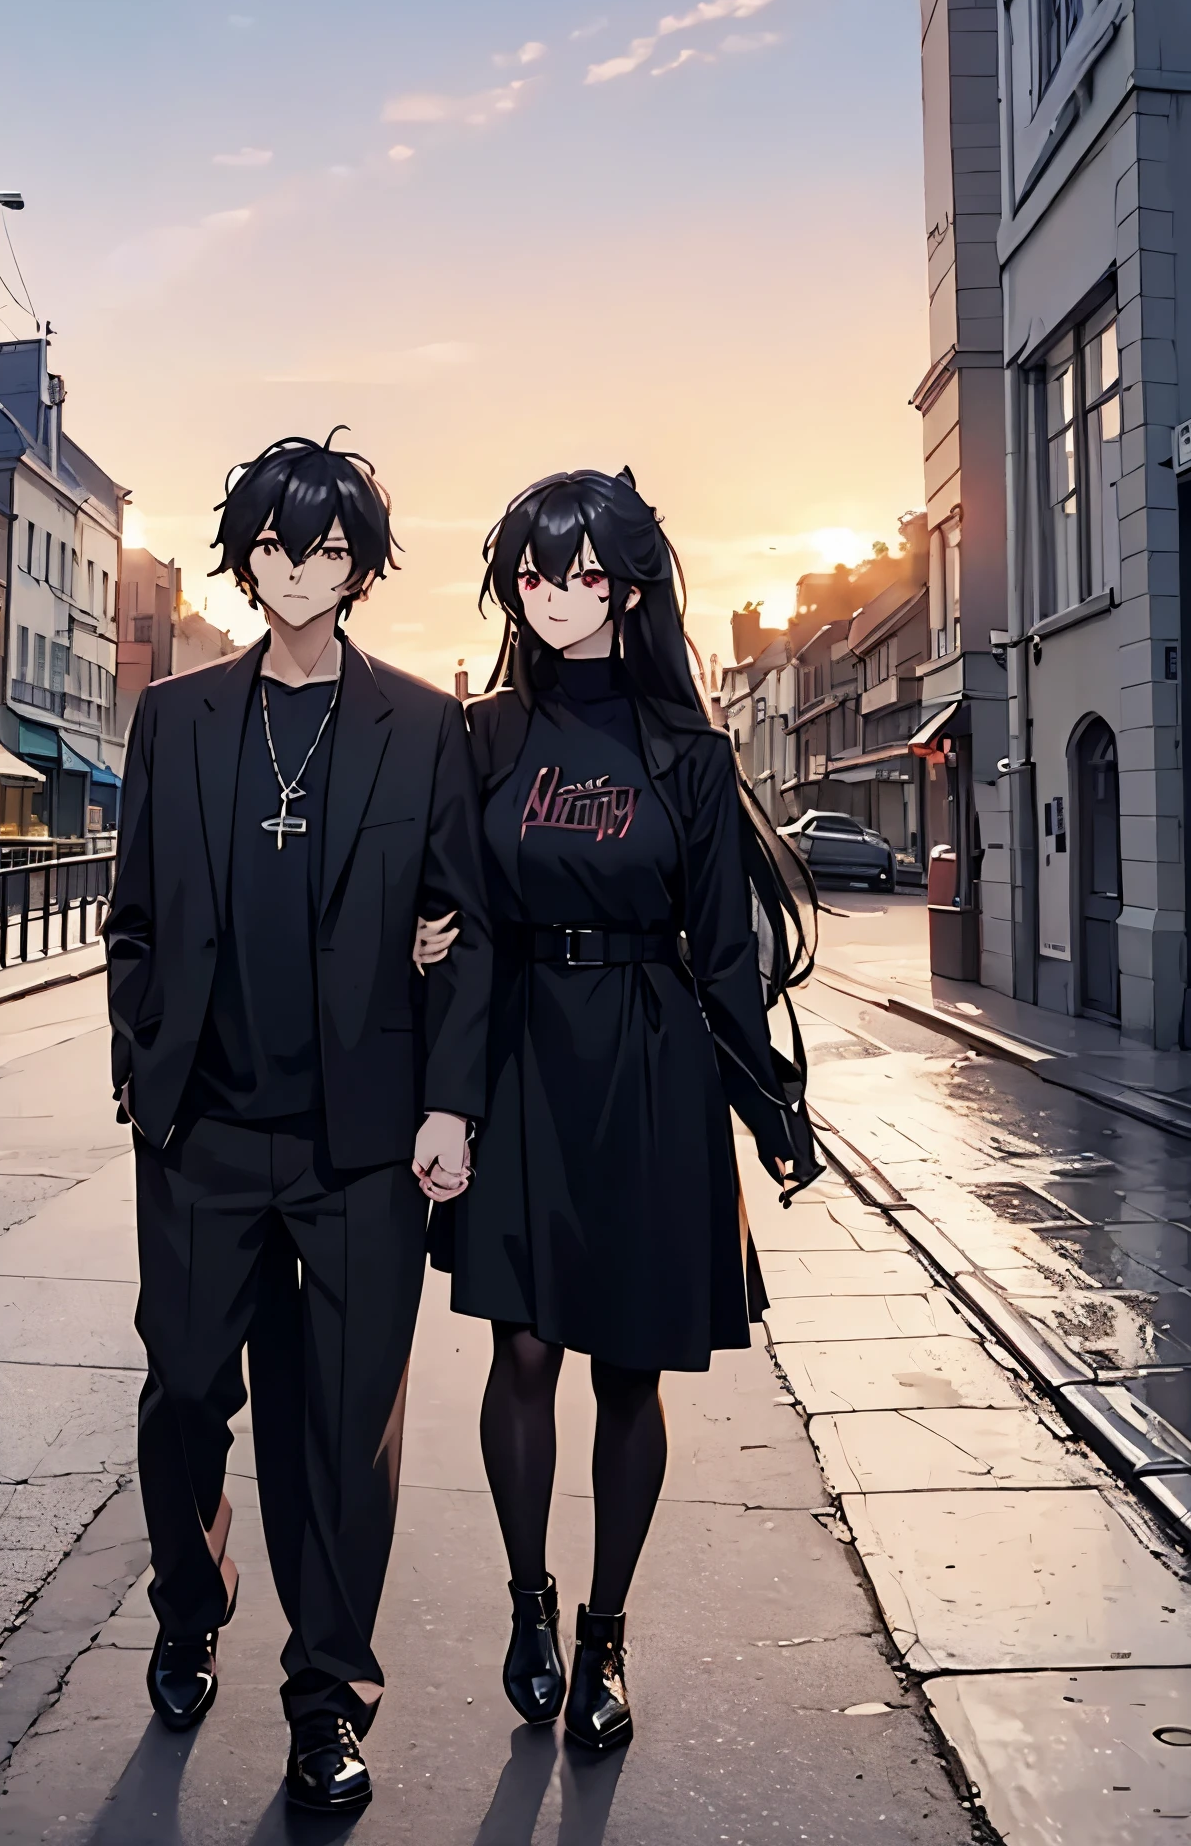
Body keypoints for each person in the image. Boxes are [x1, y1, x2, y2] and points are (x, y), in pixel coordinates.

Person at [103, 431, 490, 1813]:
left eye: (330, 549)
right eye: (277, 545)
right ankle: (190, 1594)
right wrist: (142, 1068)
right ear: (245, 552)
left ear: (362, 565)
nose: (302, 569)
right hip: (203, 1132)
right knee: (184, 1397)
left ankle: (329, 1700)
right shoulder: (179, 717)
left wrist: (448, 1101)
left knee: (343, 1439)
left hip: (361, 1146)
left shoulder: (419, 724)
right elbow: (134, 919)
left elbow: (469, 925)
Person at [426, 465, 816, 1753]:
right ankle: (530, 1603)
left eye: (584, 573)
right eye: (533, 574)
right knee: (521, 1349)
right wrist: (445, 1081)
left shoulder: (689, 753)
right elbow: (464, 922)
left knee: (628, 1372)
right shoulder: (477, 738)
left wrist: (770, 1104)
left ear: (632, 585)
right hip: (525, 1058)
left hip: (652, 1064)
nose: (554, 596)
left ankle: (607, 1635)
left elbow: (724, 950)